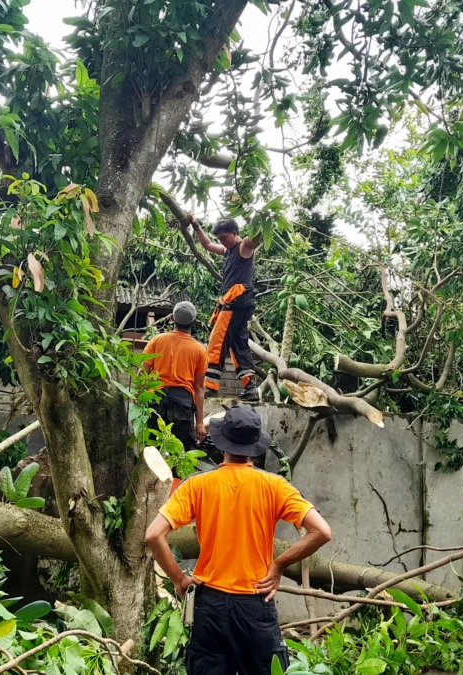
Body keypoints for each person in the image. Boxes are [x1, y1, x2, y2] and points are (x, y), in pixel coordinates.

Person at [144, 406, 333, 675]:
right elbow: (322, 531)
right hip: (255, 604)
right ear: (255, 447)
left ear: (221, 444)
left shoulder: (197, 485)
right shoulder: (275, 485)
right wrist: (278, 566)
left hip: (209, 607)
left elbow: (153, 535)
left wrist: (179, 580)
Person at [186, 216, 261, 401]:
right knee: (239, 345)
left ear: (235, 233)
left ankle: (210, 384)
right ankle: (250, 388)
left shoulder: (243, 246)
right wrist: (196, 226)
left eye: (225, 237)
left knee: (217, 339)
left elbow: (254, 239)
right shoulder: (227, 250)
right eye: (220, 238)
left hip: (237, 300)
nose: (222, 241)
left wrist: (258, 219)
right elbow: (208, 245)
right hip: (237, 302)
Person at [142, 301, 207, 450]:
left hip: (155, 398)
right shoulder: (199, 350)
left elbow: (142, 374)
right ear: (194, 322)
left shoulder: (157, 340)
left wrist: (136, 402)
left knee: (152, 449)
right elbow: (198, 388)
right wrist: (199, 423)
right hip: (182, 402)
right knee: (181, 451)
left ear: (172, 318)